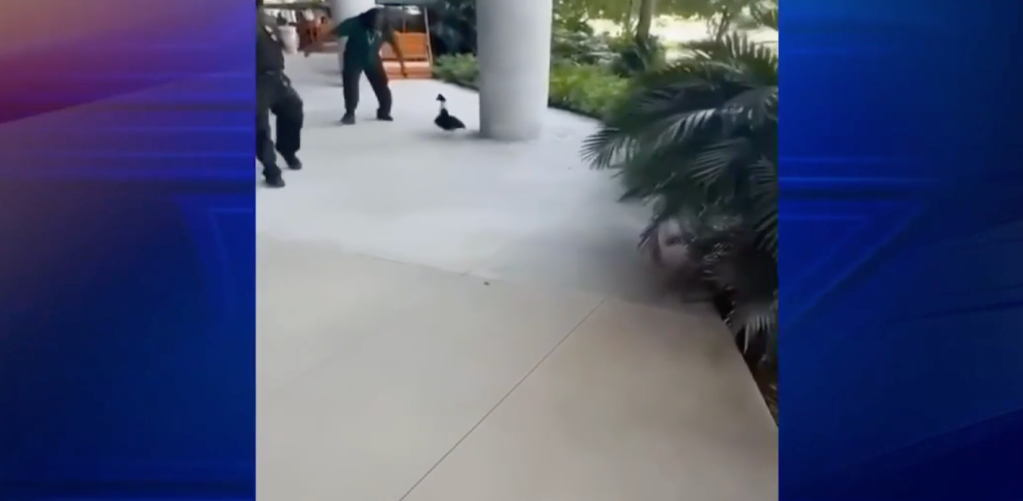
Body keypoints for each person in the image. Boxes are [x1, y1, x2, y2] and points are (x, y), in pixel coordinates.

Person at [304, 8, 407, 125]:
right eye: (374, 26)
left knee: (382, 86)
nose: (376, 29)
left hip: (373, 60)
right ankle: (350, 114)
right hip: (353, 60)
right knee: (351, 88)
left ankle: (384, 112)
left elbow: (396, 46)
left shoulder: (385, 27)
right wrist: (311, 48)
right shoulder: (354, 23)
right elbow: (331, 35)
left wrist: (402, 64)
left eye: (378, 26)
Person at [257, 0, 304, 188]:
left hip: (276, 77)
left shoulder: (267, 20)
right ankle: (270, 168)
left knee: (293, 109)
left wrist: (285, 36)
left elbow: (286, 46)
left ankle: (287, 149)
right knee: (259, 126)